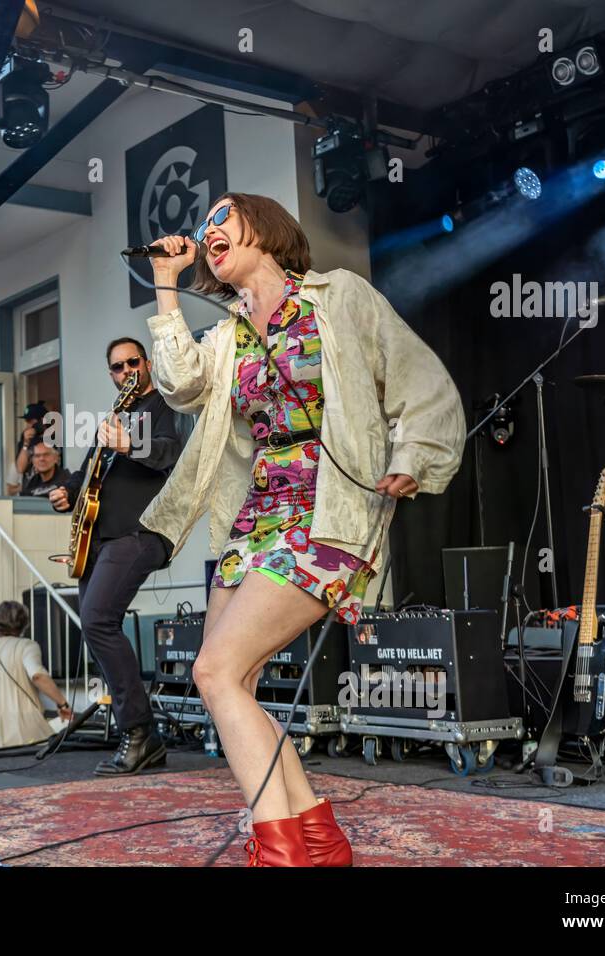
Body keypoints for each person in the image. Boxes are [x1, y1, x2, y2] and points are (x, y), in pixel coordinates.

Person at [138, 193, 464, 866]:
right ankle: (316, 837)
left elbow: (419, 377)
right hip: (256, 518)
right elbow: (178, 386)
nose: (210, 231)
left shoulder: (338, 296)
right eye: (205, 228)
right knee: (233, 681)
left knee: (214, 670)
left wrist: (414, 456)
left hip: (327, 511)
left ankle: (280, 850)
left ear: (266, 227)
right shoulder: (228, 332)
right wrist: (167, 288)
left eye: (223, 218)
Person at [48, 337, 183, 776]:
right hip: (99, 539)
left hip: (140, 532)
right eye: (116, 367)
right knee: (95, 624)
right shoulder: (114, 417)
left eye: (132, 362)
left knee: (97, 620)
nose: (125, 371)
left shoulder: (166, 404)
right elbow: (88, 467)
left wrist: (129, 444)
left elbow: (170, 454)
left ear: (146, 363)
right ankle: (145, 737)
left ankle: (140, 731)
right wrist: (66, 491)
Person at [0, 601, 73, 748]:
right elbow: (37, 676)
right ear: (24, 624)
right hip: (24, 733)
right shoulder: (27, 646)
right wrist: (62, 704)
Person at [14, 401, 49, 484]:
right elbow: (20, 468)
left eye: (31, 421)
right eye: (26, 421)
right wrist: (26, 443)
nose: (28, 425)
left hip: (47, 488)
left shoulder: (53, 438)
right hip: (29, 488)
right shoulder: (26, 437)